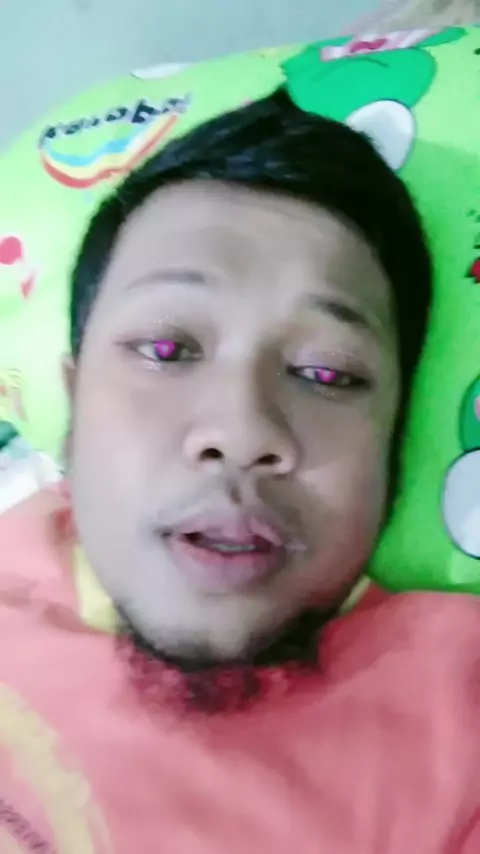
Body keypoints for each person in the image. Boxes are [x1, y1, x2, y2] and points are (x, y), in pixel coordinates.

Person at [1, 87, 480, 853]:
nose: (242, 430)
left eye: (326, 374)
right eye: (167, 350)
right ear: (73, 401)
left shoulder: (457, 719)